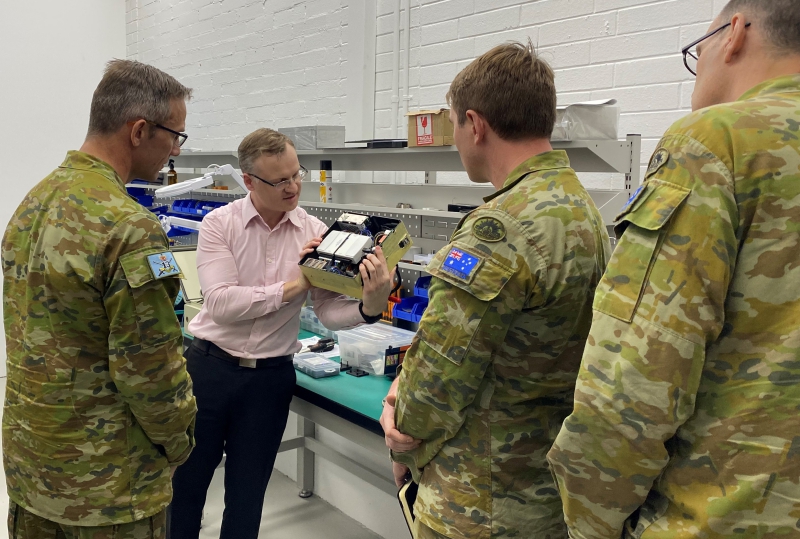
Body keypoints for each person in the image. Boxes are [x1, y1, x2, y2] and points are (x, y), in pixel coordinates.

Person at [546, 1, 800, 537]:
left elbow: (631, 383)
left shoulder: (717, 142)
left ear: (734, 34)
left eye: (695, 51)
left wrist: (589, 524)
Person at [380, 42, 610, 539]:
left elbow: (441, 371)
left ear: (475, 124)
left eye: (454, 128)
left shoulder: (500, 227)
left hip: (480, 498)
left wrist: (404, 442)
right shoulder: (583, 208)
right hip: (547, 489)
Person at [2, 60, 197, 538]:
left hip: (32, 467)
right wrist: (179, 441)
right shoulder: (131, 227)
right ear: (139, 131)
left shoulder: (34, 201)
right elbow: (150, 369)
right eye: (175, 136)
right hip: (108, 488)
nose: (175, 150)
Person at [170, 128, 394, 539]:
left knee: (248, 495)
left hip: (269, 381)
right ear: (249, 181)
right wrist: (296, 284)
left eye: (296, 174)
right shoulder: (220, 224)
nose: (293, 187)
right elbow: (221, 303)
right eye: (280, 180)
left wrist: (369, 306)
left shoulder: (314, 231)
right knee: (185, 487)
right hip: (209, 371)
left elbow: (327, 312)